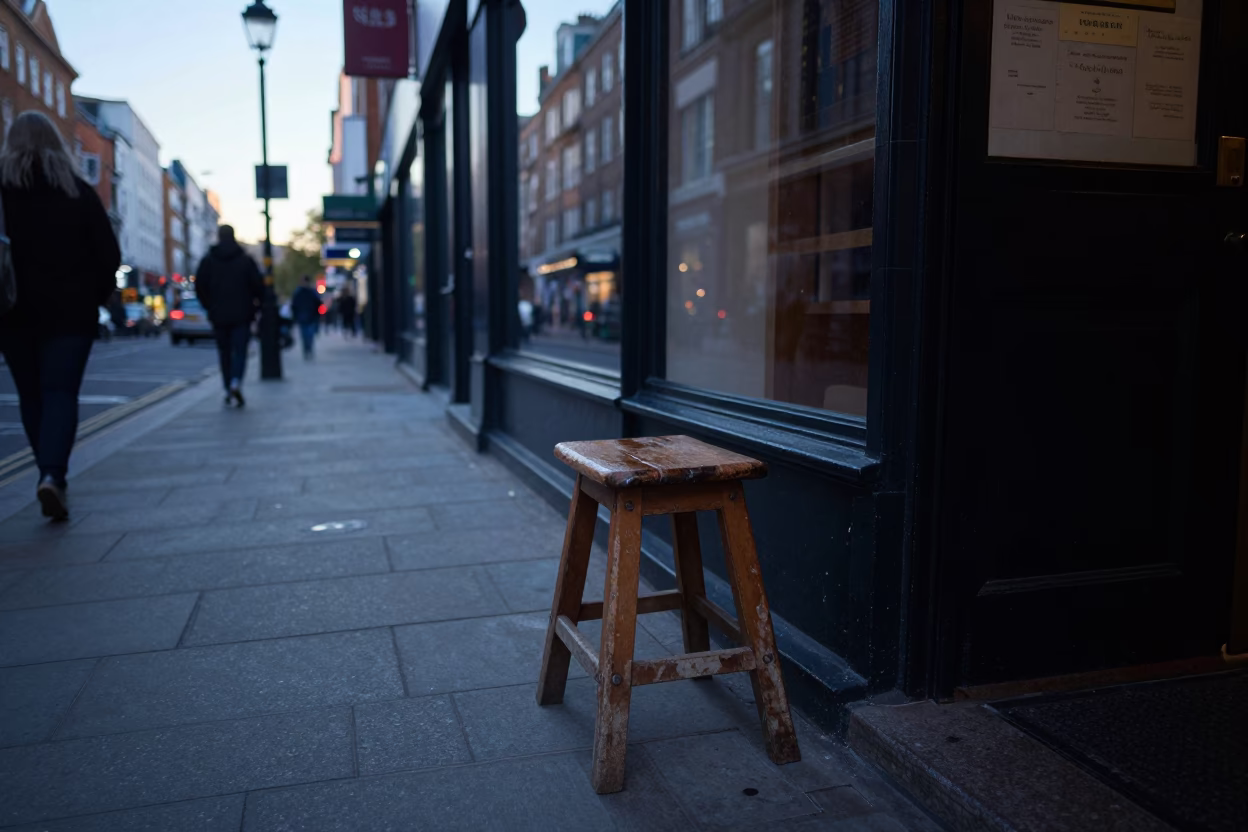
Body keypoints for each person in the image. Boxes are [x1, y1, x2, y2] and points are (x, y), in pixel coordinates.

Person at [0, 111, 120, 520]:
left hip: (12, 312)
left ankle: (46, 474)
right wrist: (96, 296)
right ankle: (54, 474)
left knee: (31, 396)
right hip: (71, 313)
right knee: (60, 394)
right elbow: (109, 257)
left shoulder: (3, 193)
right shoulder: (78, 192)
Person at [195, 225, 263, 407]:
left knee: (224, 353)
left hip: (218, 315)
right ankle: (236, 382)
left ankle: (227, 387)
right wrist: (257, 308)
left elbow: (199, 287)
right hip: (243, 315)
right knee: (240, 352)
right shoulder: (246, 260)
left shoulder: (208, 261)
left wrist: (209, 306)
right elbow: (258, 287)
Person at [290, 275, 321, 359]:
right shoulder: (299, 292)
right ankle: (307, 350)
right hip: (303, 317)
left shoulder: (311, 292)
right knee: (305, 335)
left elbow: (318, 303)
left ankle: (309, 349)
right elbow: (294, 305)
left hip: (310, 317)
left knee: (309, 335)